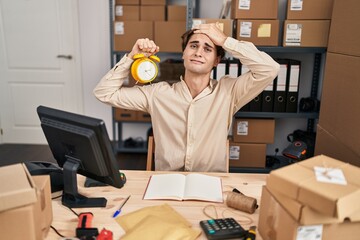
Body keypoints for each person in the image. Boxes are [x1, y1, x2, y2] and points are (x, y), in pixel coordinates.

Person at [94, 23, 279, 172]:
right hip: (166, 184)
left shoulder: (229, 92)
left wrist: (225, 40)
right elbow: (104, 92)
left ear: (216, 61)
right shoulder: (157, 94)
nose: (198, 52)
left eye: (207, 49)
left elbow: (270, 69)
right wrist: (131, 57)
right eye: (193, 46)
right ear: (184, 54)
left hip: (210, 183)